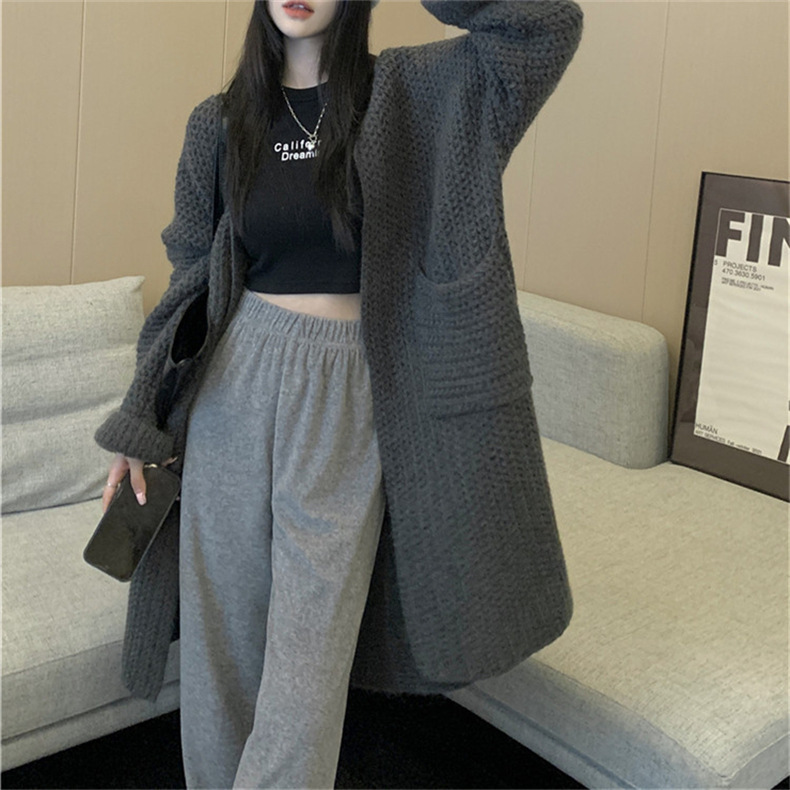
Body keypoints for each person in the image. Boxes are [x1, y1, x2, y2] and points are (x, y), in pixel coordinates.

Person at [95, 1, 584, 787]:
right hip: (232, 380)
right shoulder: (218, 123)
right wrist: (138, 417)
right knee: (223, 650)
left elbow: (543, 28)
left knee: (307, 666)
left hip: (350, 388)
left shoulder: (415, 93)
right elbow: (190, 276)